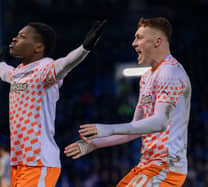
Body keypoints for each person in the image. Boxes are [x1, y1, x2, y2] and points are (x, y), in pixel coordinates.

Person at [65, 17, 191, 187]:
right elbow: (134, 128)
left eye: (139, 37)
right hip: (147, 166)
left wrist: (108, 129)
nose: (133, 43)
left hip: (166, 167)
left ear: (157, 41)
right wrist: (94, 144)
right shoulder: (147, 77)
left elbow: (160, 122)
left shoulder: (170, 72)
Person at [0, 20, 107, 186]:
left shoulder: (45, 70)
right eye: (16, 36)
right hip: (19, 162)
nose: (14, 39)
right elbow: (5, 73)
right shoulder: (18, 73)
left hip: (38, 160)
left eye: (22, 37)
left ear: (38, 48)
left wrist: (85, 47)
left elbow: (66, 63)